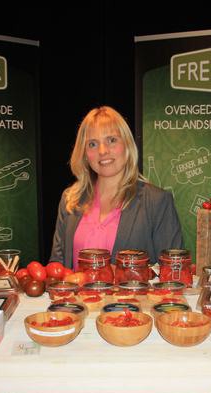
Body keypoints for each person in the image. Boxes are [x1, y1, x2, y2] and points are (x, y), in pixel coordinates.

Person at [50, 106, 183, 270]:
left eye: (111, 140)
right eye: (92, 144)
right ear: (84, 153)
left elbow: (174, 270)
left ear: (127, 145)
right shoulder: (70, 200)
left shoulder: (156, 202)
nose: (102, 151)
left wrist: (123, 273)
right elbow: (56, 267)